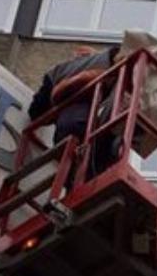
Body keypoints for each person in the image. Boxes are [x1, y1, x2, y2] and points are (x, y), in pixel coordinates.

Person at [29, 44, 121, 179]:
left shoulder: (59, 71)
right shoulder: (107, 61)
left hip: (69, 135)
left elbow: (35, 112)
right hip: (86, 132)